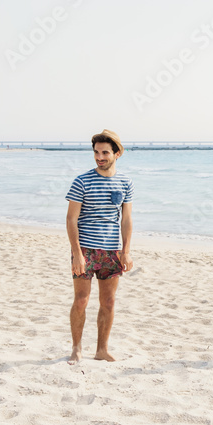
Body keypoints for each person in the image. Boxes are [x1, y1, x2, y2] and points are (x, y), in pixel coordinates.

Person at [64, 130, 133, 364]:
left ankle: (101, 350)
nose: (99, 157)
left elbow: (126, 219)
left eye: (105, 152)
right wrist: (76, 254)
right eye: (96, 152)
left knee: (109, 302)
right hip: (86, 250)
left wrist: (126, 250)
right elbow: (71, 219)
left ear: (117, 153)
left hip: (112, 251)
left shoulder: (126, 182)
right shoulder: (82, 181)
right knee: (81, 299)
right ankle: (76, 349)